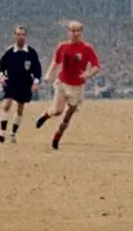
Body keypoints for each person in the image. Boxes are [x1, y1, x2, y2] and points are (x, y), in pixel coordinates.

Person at [35, 20, 101, 150]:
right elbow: (56, 62)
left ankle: (57, 138)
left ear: (81, 33)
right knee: (58, 110)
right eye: (72, 30)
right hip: (62, 84)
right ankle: (46, 115)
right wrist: (49, 75)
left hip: (77, 88)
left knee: (67, 116)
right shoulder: (63, 47)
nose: (75, 33)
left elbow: (96, 67)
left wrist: (88, 74)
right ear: (68, 32)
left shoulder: (87, 49)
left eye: (78, 31)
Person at [0, 25, 42, 143]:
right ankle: (2, 132)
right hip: (11, 81)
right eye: (18, 35)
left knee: (20, 108)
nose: (21, 37)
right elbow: (1, 67)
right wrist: (1, 77)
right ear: (14, 36)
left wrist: (36, 82)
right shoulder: (10, 52)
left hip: (25, 83)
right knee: (7, 104)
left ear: (26, 36)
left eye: (23, 35)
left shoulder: (31, 52)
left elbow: (37, 70)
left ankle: (13, 133)